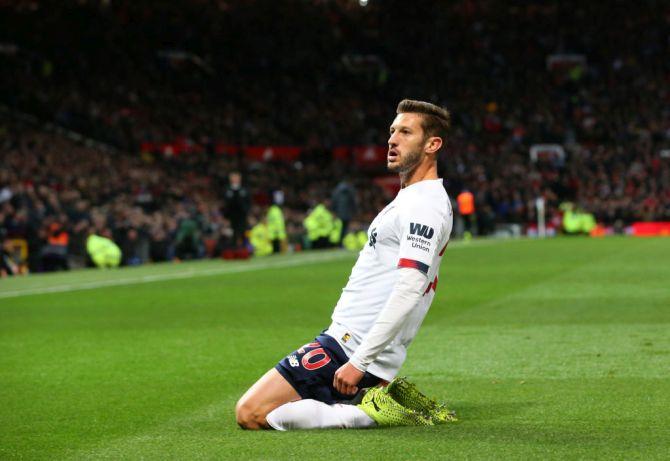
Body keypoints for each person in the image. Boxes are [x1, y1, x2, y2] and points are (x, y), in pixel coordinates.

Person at [235, 99, 454, 430]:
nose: (393, 139)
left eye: (406, 132)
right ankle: (378, 396)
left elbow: (411, 287)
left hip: (352, 346)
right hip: (351, 340)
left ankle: (368, 413)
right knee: (274, 407)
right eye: (392, 131)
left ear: (432, 144)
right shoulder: (415, 198)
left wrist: (359, 362)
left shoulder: (424, 205)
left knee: (250, 413)